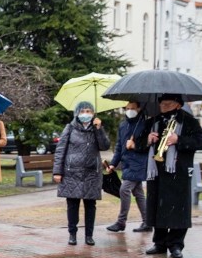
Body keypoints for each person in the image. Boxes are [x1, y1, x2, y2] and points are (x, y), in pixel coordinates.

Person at [142, 94, 202, 258]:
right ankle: (159, 243)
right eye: (161, 104)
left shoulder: (188, 121)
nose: (163, 107)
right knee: (158, 207)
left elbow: (201, 142)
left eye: (168, 104)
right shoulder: (153, 121)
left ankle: (176, 244)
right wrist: (147, 139)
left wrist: (179, 139)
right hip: (157, 172)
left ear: (178, 105)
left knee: (178, 208)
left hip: (179, 171)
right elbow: (138, 143)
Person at [52, 101, 110, 246]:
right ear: (77, 113)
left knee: (90, 205)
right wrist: (57, 171)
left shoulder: (96, 128)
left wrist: (99, 129)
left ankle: (89, 235)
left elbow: (104, 146)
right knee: (72, 205)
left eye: (89, 111)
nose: (86, 114)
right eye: (83, 111)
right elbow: (60, 150)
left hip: (92, 173)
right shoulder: (70, 128)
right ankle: (72, 234)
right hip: (72, 173)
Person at [106, 101, 152, 232]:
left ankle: (121, 222)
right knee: (138, 193)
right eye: (127, 108)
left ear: (139, 108)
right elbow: (120, 147)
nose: (130, 110)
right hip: (127, 164)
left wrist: (134, 145)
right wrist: (113, 164)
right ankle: (147, 221)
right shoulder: (123, 125)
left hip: (139, 163)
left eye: (133, 108)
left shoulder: (145, 125)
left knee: (124, 190)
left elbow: (148, 147)